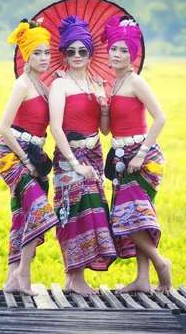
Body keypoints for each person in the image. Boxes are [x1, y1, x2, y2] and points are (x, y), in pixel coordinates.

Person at [100, 15, 172, 294]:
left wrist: (141, 154)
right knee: (136, 217)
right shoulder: (113, 84)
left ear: (133, 56)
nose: (117, 54)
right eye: (114, 49)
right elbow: (106, 131)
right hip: (120, 159)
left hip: (142, 158)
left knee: (127, 216)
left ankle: (160, 263)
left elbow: (160, 118)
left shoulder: (136, 82)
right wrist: (105, 110)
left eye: (123, 51)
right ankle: (142, 279)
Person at [49, 15, 117, 295]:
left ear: (90, 54)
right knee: (72, 212)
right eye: (71, 51)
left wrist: (103, 105)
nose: (77, 56)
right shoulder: (59, 85)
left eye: (82, 51)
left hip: (94, 155)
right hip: (69, 158)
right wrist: (75, 164)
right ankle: (74, 279)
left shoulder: (96, 84)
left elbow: (104, 130)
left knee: (93, 211)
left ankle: (75, 280)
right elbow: (55, 128)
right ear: (64, 54)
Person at [0, 18, 59, 296]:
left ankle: (12, 280)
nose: (44, 58)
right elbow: (3, 127)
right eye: (37, 53)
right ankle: (23, 274)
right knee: (39, 209)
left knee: (22, 216)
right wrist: (25, 160)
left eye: (47, 52)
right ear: (26, 56)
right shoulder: (22, 84)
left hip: (33, 154)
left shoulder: (43, 84)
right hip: (13, 155)